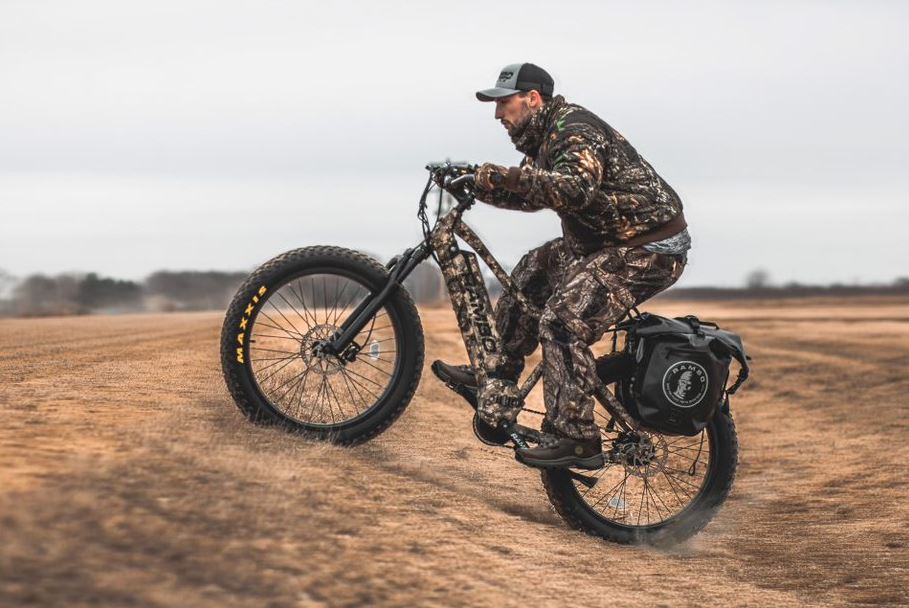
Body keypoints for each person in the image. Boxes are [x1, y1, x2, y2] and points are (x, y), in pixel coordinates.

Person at [433, 63, 690, 469]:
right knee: (532, 271)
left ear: (532, 99)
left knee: (562, 322)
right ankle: (498, 373)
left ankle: (577, 438)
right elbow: (535, 196)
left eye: (504, 103)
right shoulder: (545, 138)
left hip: (649, 247)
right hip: (601, 242)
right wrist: (477, 186)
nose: (498, 115)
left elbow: (574, 190)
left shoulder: (573, 129)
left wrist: (498, 176)